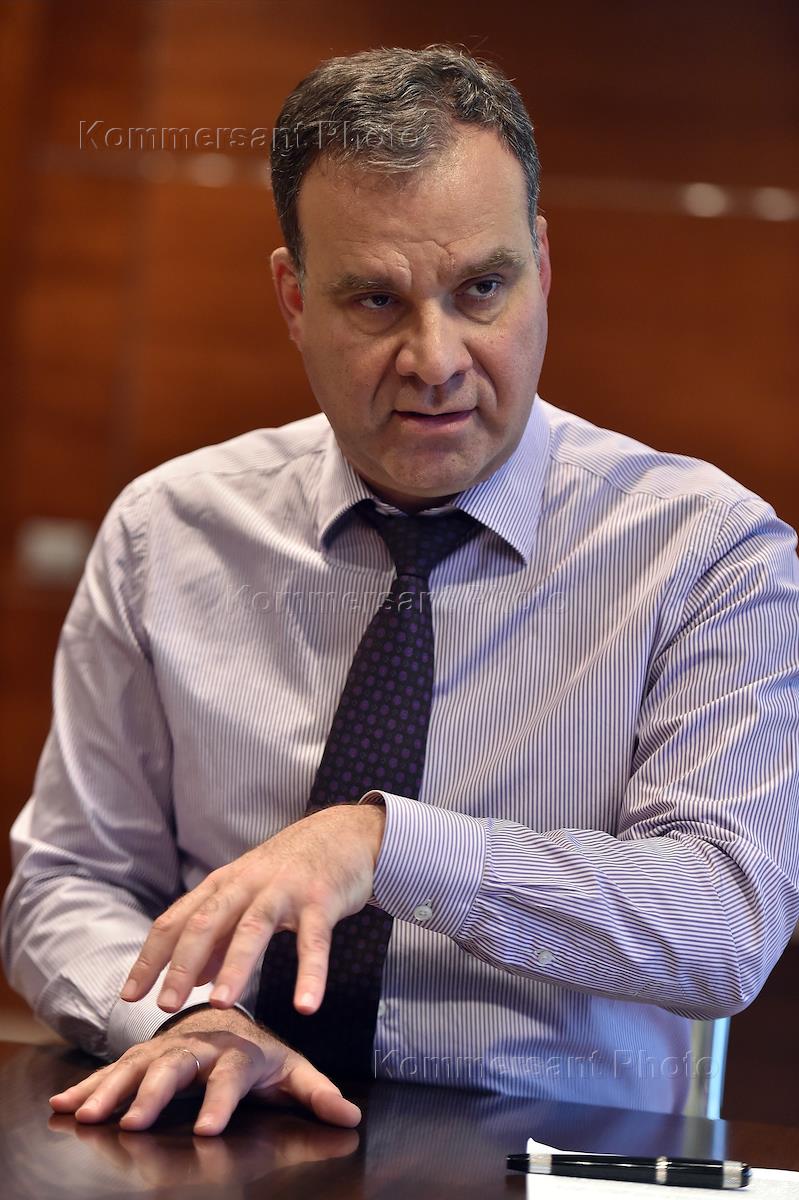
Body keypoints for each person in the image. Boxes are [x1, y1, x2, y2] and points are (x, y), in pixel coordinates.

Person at [3, 44, 798, 1138]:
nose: (435, 358)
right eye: (376, 300)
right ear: (293, 299)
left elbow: (724, 921)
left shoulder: (707, 553)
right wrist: (184, 1019)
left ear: (541, 266)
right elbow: (68, 881)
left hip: (546, 1159)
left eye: (482, 289)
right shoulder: (168, 531)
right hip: (224, 1140)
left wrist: (386, 850)